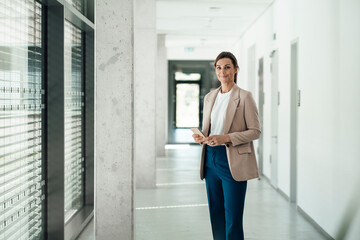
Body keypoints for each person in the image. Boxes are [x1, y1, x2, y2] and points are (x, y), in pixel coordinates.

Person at [192, 51, 261, 240]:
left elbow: (255, 131)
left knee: (233, 216)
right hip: (210, 159)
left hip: (232, 161)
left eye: (227, 67)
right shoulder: (209, 97)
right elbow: (210, 128)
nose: (223, 71)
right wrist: (202, 137)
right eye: (219, 67)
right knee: (216, 213)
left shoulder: (245, 97)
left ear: (236, 69)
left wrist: (227, 138)